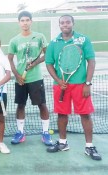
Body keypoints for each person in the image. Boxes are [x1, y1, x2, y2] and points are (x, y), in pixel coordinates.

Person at [45, 14, 102, 160]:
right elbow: (49, 64)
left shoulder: (83, 39)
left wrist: (87, 83)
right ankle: (63, 143)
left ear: (73, 23)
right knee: (61, 114)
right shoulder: (53, 42)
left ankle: (89, 146)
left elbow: (91, 62)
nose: (65, 24)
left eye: (68, 22)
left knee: (85, 114)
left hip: (80, 86)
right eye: (62, 23)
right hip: (61, 86)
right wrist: (58, 80)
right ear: (59, 25)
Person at [8, 11, 53, 146]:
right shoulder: (14, 40)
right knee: (20, 105)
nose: (25, 22)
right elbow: (9, 59)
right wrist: (16, 75)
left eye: (27, 20)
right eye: (22, 20)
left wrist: (35, 63)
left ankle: (45, 133)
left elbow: (47, 54)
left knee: (42, 105)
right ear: (19, 22)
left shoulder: (39, 37)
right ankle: (20, 132)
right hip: (21, 79)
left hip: (36, 78)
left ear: (31, 21)